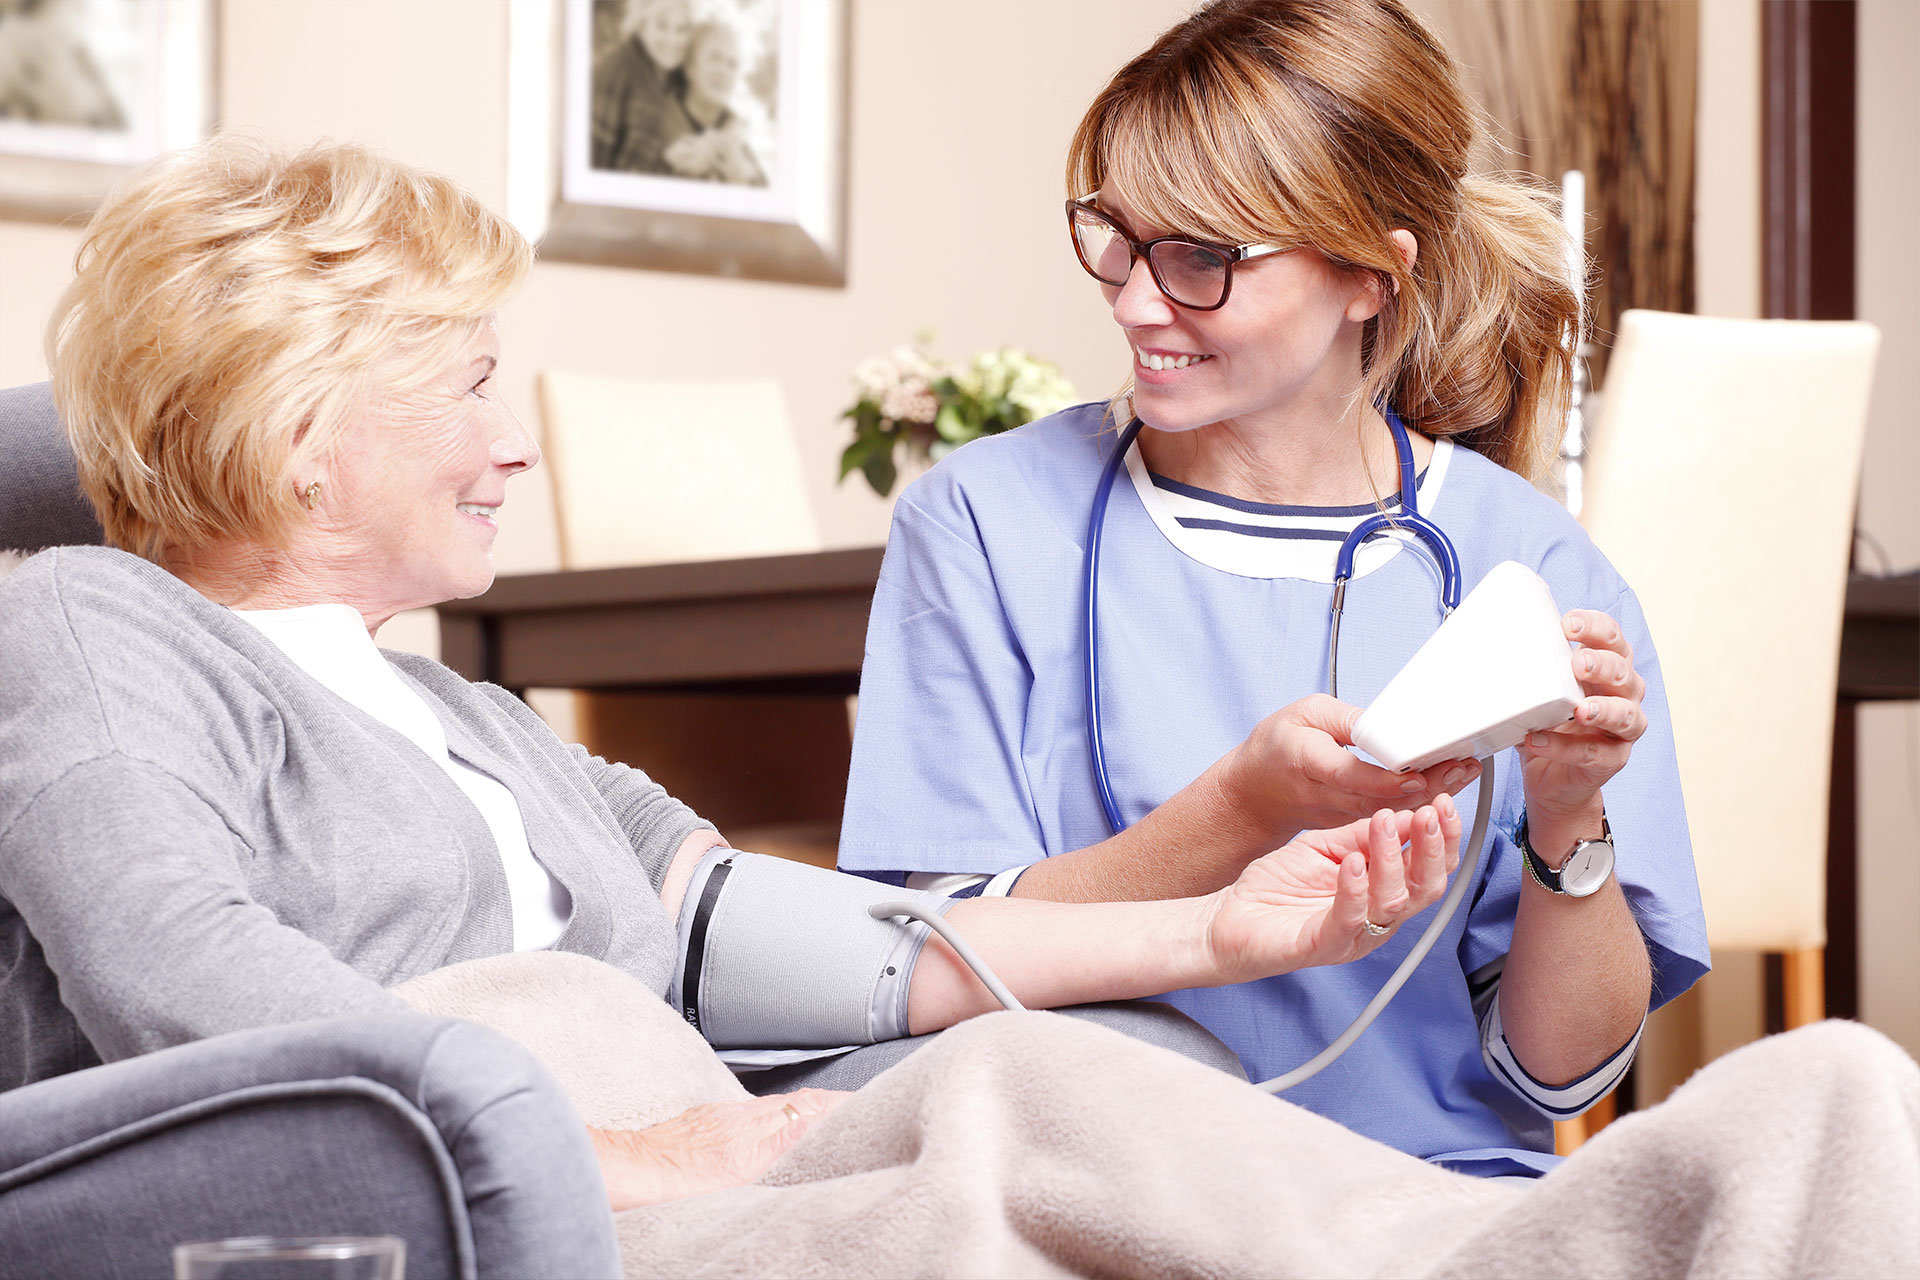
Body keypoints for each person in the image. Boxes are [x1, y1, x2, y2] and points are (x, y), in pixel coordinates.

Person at [0, 135, 1462, 1210]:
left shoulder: (470, 722)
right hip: (515, 1193)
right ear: (296, 427)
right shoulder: (96, 628)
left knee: (1098, 1072)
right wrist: (611, 1157)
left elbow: (837, 945)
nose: (516, 443)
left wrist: (1215, 934)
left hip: (666, 1140)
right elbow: (184, 977)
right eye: (468, 384)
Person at [838, 0, 1708, 1179]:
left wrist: (1567, 815)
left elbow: (1562, 1070)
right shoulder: (986, 524)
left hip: (1426, 1200)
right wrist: (1248, 805)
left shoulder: (1534, 568)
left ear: (1371, 276)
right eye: (1116, 235)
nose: (1136, 301)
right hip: (1083, 1180)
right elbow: (926, 975)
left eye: (1203, 258)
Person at [660, 16, 771, 187]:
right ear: (690, 67)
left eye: (732, 64)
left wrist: (739, 181)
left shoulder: (739, 143)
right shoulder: (656, 125)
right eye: (714, 58)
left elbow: (766, 204)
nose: (723, 71)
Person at [589, 0, 694, 174]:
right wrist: (669, 162)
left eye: (682, 29)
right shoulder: (626, 76)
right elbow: (615, 177)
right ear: (642, 25)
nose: (672, 39)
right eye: (661, 26)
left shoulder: (663, 73)